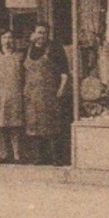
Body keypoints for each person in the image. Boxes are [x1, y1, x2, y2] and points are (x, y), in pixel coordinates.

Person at [23, 22, 71, 165]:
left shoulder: (55, 48)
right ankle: (40, 157)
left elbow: (64, 73)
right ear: (34, 34)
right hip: (32, 94)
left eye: (44, 33)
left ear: (48, 34)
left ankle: (57, 158)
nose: (41, 36)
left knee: (52, 125)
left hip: (50, 92)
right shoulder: (29, 49)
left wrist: (61, 89)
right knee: (34, 125)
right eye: (38, 32)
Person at [0, 29, 24, 163]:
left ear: (14, 41)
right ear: (0, 40)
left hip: (15, 94)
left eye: (10, 38)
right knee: (0, 125)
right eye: (4, 38)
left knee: (15, 126)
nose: (8, 41)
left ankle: (17, 155)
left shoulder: (20, 56)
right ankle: (4, 154)